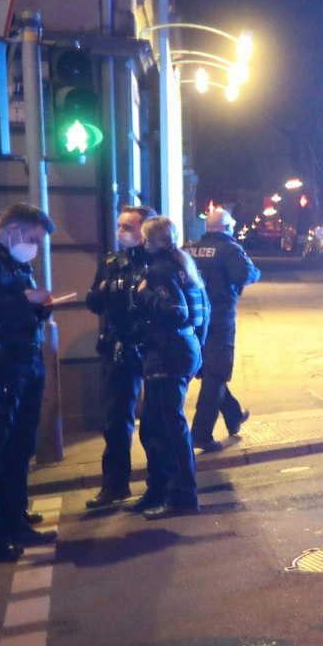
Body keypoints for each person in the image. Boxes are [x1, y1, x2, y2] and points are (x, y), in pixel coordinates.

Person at [0, 205, 60, 561]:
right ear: (14, 229)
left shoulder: (16, 263)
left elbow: (23, 304)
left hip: (25, 363)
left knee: (19, 449)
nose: (34, 247)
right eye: (33, 239)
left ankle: (14, 522)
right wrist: (24, 300)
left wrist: (41, 305)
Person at [130, 216, 210, 518]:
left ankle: (181, 497)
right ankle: (164, 492)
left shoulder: (161, 270)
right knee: (158, 425)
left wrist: (143, 294)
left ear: (152, 240)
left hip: (168, 353)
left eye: (144, 237)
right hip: (181, 350)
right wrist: (196, 349)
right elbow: (203, 312)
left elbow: (177, 312)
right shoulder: (183, 265)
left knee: (169, 427)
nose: (141, 242)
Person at [83, 204, 154, 508]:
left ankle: (158, 484)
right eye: (119, 226)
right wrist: (102, 290)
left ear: (144, 231)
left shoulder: (158, 260)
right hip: (118, 345)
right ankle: (114, 485)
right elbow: (94, 303)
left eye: (128, 227)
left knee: (154, 420)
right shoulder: (112, 262)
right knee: (115, 419)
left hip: (151, 346)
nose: (121, 232)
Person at [186, 207, 259, 452]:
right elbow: (245, 274)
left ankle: (233, 415)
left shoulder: (189, 249)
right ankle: (201, 433)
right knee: (216, 373)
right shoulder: (229, 249)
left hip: (194, 319)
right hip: (219, 319)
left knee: (211, 371)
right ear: (227, 227)